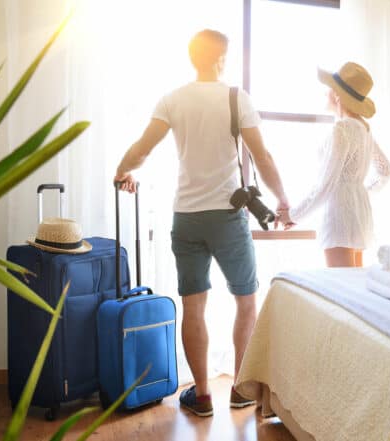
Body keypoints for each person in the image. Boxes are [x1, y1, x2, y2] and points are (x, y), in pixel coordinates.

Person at [114, 29, 290, 417]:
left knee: (193, 307)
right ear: (222, 59)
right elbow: (262, 156)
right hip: (227, 218)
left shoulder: (172, 100)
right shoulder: (235, 98)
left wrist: (121, 170)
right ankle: (242, 390)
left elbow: (142, 149)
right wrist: (282, 201)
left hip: (187, 217)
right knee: (246, 301)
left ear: (192, 58)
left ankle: (204, 396)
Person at [279, 62, 390, 267]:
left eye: (329, 90)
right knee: (352, 287)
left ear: (338, 96)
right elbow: (385, 171)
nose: (325, 94)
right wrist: (360, 190)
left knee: (340, 287)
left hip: (340, 212)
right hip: (359, 210)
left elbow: (326, 183)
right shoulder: (364, 129)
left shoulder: (342, 129)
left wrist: (294, 214)